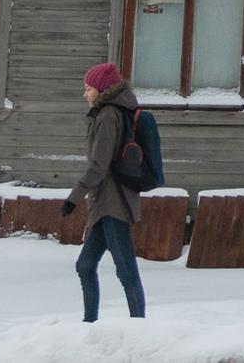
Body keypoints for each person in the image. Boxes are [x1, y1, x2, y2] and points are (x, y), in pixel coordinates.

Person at [62, 62, 146, 322]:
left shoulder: (109, 115)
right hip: (104, 203)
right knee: (85, 266)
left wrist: (72, 199)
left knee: (125, 269)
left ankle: (139, 326)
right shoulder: (109, 112)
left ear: (101, 89)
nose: (85, 94)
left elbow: (99, 166)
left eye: (88, 88)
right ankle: (89, 324)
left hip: (114, 203)